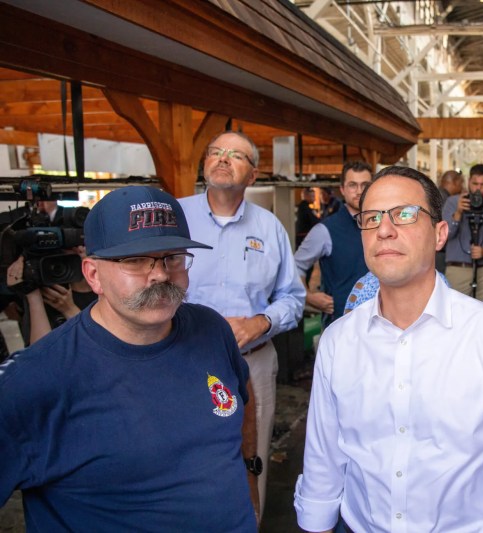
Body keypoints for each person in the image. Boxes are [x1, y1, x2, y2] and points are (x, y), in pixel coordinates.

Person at [294, 166, 483, 533]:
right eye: (372, 218)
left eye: (404, 214)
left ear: (440, 234)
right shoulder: (339, 341)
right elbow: (324, 455)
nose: (385, 230)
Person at [0, 186, 258, 531]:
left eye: (173, 257)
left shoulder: (211, 329)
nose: (161, 274)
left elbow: (242, 397)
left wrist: (250, 472)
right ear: (93, 274)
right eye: (135, 260)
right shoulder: (33, 380)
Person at [180, 131, 305, 520]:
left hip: (253, 361)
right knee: (184, 454)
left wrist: (261, 323)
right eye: (215, 152)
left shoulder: (269, 228)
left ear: (252, 175)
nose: (222, 158)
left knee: (251, 458)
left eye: (235, 155)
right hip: (182, 359)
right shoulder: (176, 217)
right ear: (204, 164)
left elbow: (293, 297)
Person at [294, 161, 372, 325]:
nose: (359, 191)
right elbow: (295, 266)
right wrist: (308, 297)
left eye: (365, 185)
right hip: (341, 323)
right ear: (342, 189)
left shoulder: (383, 225)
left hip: (381, 321)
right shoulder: (325, 231)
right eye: (352, 185)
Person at [442, 163, 483, 301]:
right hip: (458, 267)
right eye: (474, 184)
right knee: (454, 309)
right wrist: (458, 214)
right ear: (468, 182)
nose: (478, 188)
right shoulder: (452, 202)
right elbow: (445, 235)